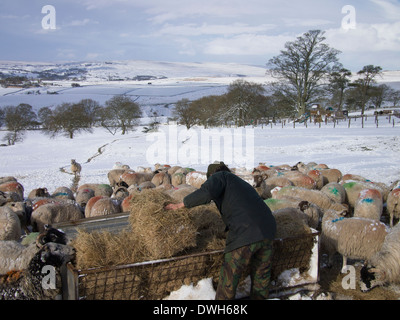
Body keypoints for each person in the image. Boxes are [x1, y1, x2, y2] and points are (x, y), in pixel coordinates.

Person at [165, 162, 276, 300]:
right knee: (261, 275)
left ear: (211, 175)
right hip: (268, 230)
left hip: (246, 231)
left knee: (229, 276)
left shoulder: (219, 176)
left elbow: (206, 193)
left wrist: (180, 204)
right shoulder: (238, 182)